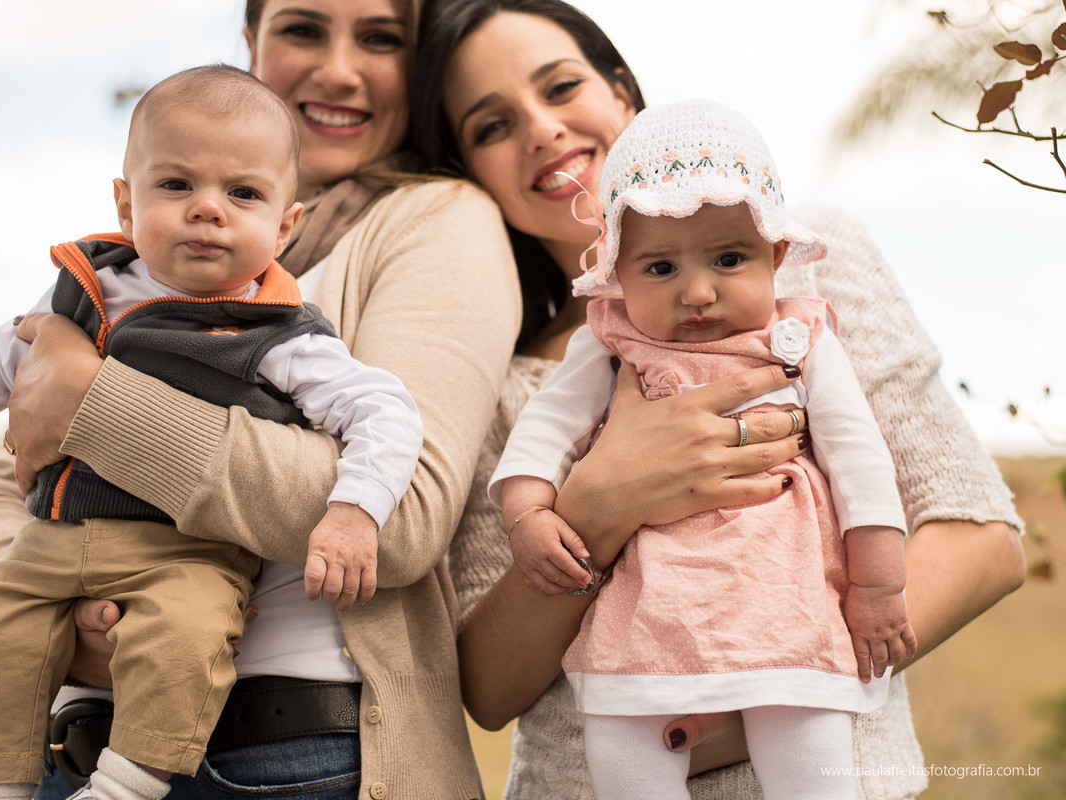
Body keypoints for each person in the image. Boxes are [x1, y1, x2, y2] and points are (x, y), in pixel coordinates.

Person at [410, 1, 1024, 798]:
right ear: (468, 170)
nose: (541, 130)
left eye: (561, 87)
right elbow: (490, 691)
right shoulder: (499, 375)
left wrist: (759, 686)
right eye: (490, 126)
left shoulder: (810, 278)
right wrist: (596, 507)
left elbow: (981, 539)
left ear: (622, 94)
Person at [0, 1, 528, 798]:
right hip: (78, 750)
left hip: (288, 757)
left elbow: (407, 511)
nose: (339, 69)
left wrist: (94, 399)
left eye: (381, 38)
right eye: (302, 29)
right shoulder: (134, 271)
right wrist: (62, 615)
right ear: (251, 44)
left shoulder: (433, 222)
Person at [0, 65, 425, 800]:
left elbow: (384, 410)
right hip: (55, 534)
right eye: (176, 186)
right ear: (125, 206)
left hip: (185, 549)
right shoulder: (85, 289)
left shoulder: (281, 331)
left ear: (285, 225)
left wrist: (356, 509)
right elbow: (1, 362)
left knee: (188, 637)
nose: (208, 210)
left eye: (244, 194)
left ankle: (128, 784)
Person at [491, 98, 917, 798]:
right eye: (659, 268)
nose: (697, 291)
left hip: (784, 601)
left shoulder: (801, 341)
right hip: (652, 608)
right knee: (621, 741)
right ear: (618, 273)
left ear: (776, 256)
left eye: (728, 258)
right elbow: (544, 430)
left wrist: (877, 586)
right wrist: (528, 514)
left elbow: (858, 460)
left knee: (811, 747)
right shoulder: (609, 342)